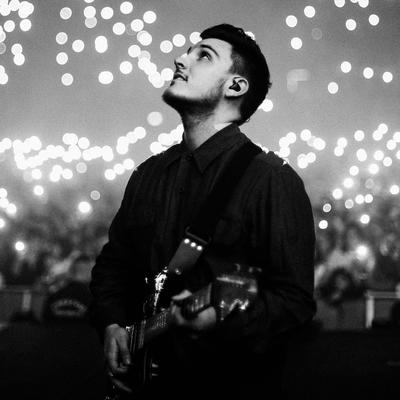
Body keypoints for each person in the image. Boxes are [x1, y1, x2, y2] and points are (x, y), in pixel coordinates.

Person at [90, 23, 316, 399]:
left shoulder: (271, 179)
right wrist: (112, 324)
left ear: (235, 86)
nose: (180, 60)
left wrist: (219, 320)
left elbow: (294, 302)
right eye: (188, 52)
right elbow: (114, 267)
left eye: (203, 56)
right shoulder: (147, 174)